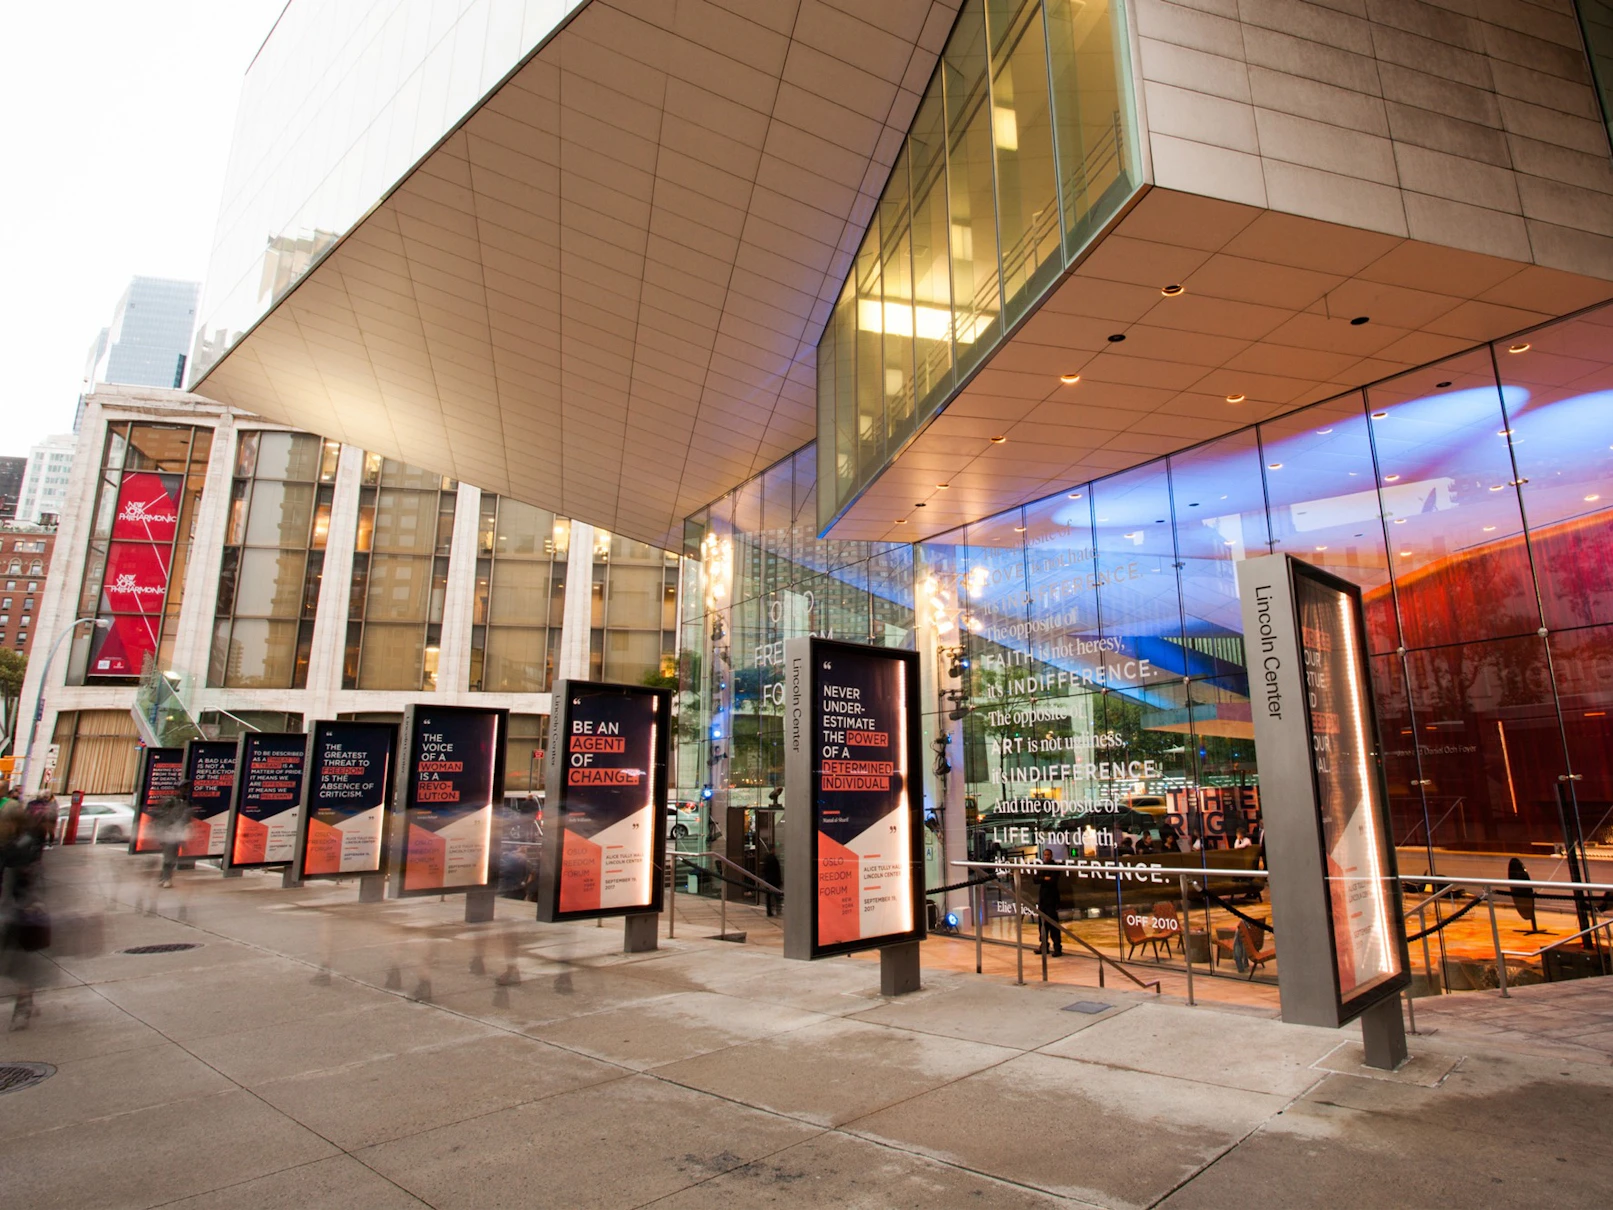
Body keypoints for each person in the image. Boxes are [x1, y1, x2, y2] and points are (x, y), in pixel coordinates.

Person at [1, 801, 48, 1029]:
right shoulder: (13, 844)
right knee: (17, 961)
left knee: (21, 961)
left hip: (22, 910)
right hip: (14, 909)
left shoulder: (22, 846)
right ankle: (25, 1000)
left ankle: (24, 1003)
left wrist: (33, 901)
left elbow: (31, 877)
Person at [151, 780, 195, 889]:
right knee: (169, 857)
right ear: (178, 789)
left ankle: (163, 878)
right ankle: (166, 879)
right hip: (168, 832)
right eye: (184, 788)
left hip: (177, 832)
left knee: (172, 857)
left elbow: (186, 818)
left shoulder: (185, 802)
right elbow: (160, 816)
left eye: (187, 788)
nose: (186, 791)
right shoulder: (170, 801)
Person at [1034, 848, 1064, 956]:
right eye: (1045, 855)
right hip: (1043, 898)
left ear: (1051, 855)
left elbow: (1052, 881)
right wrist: (1044, 878)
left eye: (1048, 855)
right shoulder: (1042, 866)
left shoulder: (1054, 867)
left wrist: (1044, 879)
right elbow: (1035, 879)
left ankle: (1057, 947)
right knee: (1042, 924)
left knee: (1053, 924)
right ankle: (1044, 945)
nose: (1046, 856)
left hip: (1052, 898)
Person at [760, 842, 782, 918]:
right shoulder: (774, 859)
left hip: (768, 879)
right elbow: (777, 870)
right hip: (774, 880)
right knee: (777, 896)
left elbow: (764, 869)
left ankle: (769, 911)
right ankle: (778, 909)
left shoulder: (766, 858)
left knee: (769, 896)